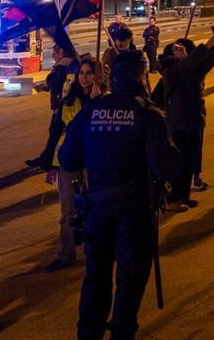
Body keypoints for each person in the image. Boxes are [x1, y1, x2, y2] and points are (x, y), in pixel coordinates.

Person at [58, 47, 181, 340]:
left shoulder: (90, 110)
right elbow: (168, 166)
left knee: (96, 278)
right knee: (129, 277)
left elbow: (68, 160)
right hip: (134, 209)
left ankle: (89, 333)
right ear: (140, 75)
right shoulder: (147, 113)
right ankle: (122, 333)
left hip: (97, 208)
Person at [43, 56, 106, 272]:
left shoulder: (106, 101)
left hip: (94, 160)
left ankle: (96, 250)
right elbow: (59, 133)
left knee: (94, 207)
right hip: (69, 160)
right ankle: (66, 253)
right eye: (81, 73)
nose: (84, 77)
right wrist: (52, 165)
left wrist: (97, 101)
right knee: (67, 210)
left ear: (98, 76)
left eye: (89, 73)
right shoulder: (70, 100)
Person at [160, 31, 214, 208]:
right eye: (176, 49)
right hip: (178, 122)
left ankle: (184, 196)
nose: (180, 50)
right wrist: (205, 46)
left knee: (190, 161)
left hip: (194, 120)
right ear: (170, 55)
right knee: (178, 163)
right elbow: (187, 65)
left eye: (182, 48)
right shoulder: (171, 70)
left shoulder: (191, 70)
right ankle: (173, 198)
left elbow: (207, 62)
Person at [28, 43, 77, 169]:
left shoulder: (63, 66)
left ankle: (49, 161)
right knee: (56, 132)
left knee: (56, 133)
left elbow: (56, 83)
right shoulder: (70, 64)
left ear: (61, 53)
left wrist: (49, 82)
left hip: (62, 105)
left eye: (55, 54)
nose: (53, 57)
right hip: (63, 104)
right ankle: (49, 158)